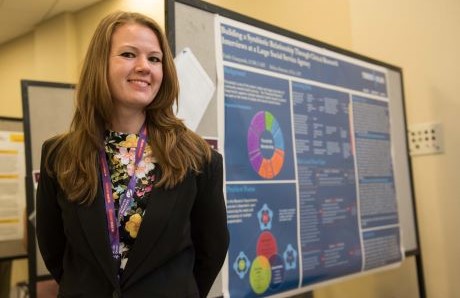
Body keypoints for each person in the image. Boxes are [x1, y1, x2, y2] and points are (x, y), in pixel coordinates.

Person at [36, 11, 229, 298]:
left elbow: (211, 250)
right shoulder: (59, 155)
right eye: (128, 54)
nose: (144, 67)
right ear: (99, 64)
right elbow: (54, 249)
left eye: (154, 59)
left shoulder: (198, 158)